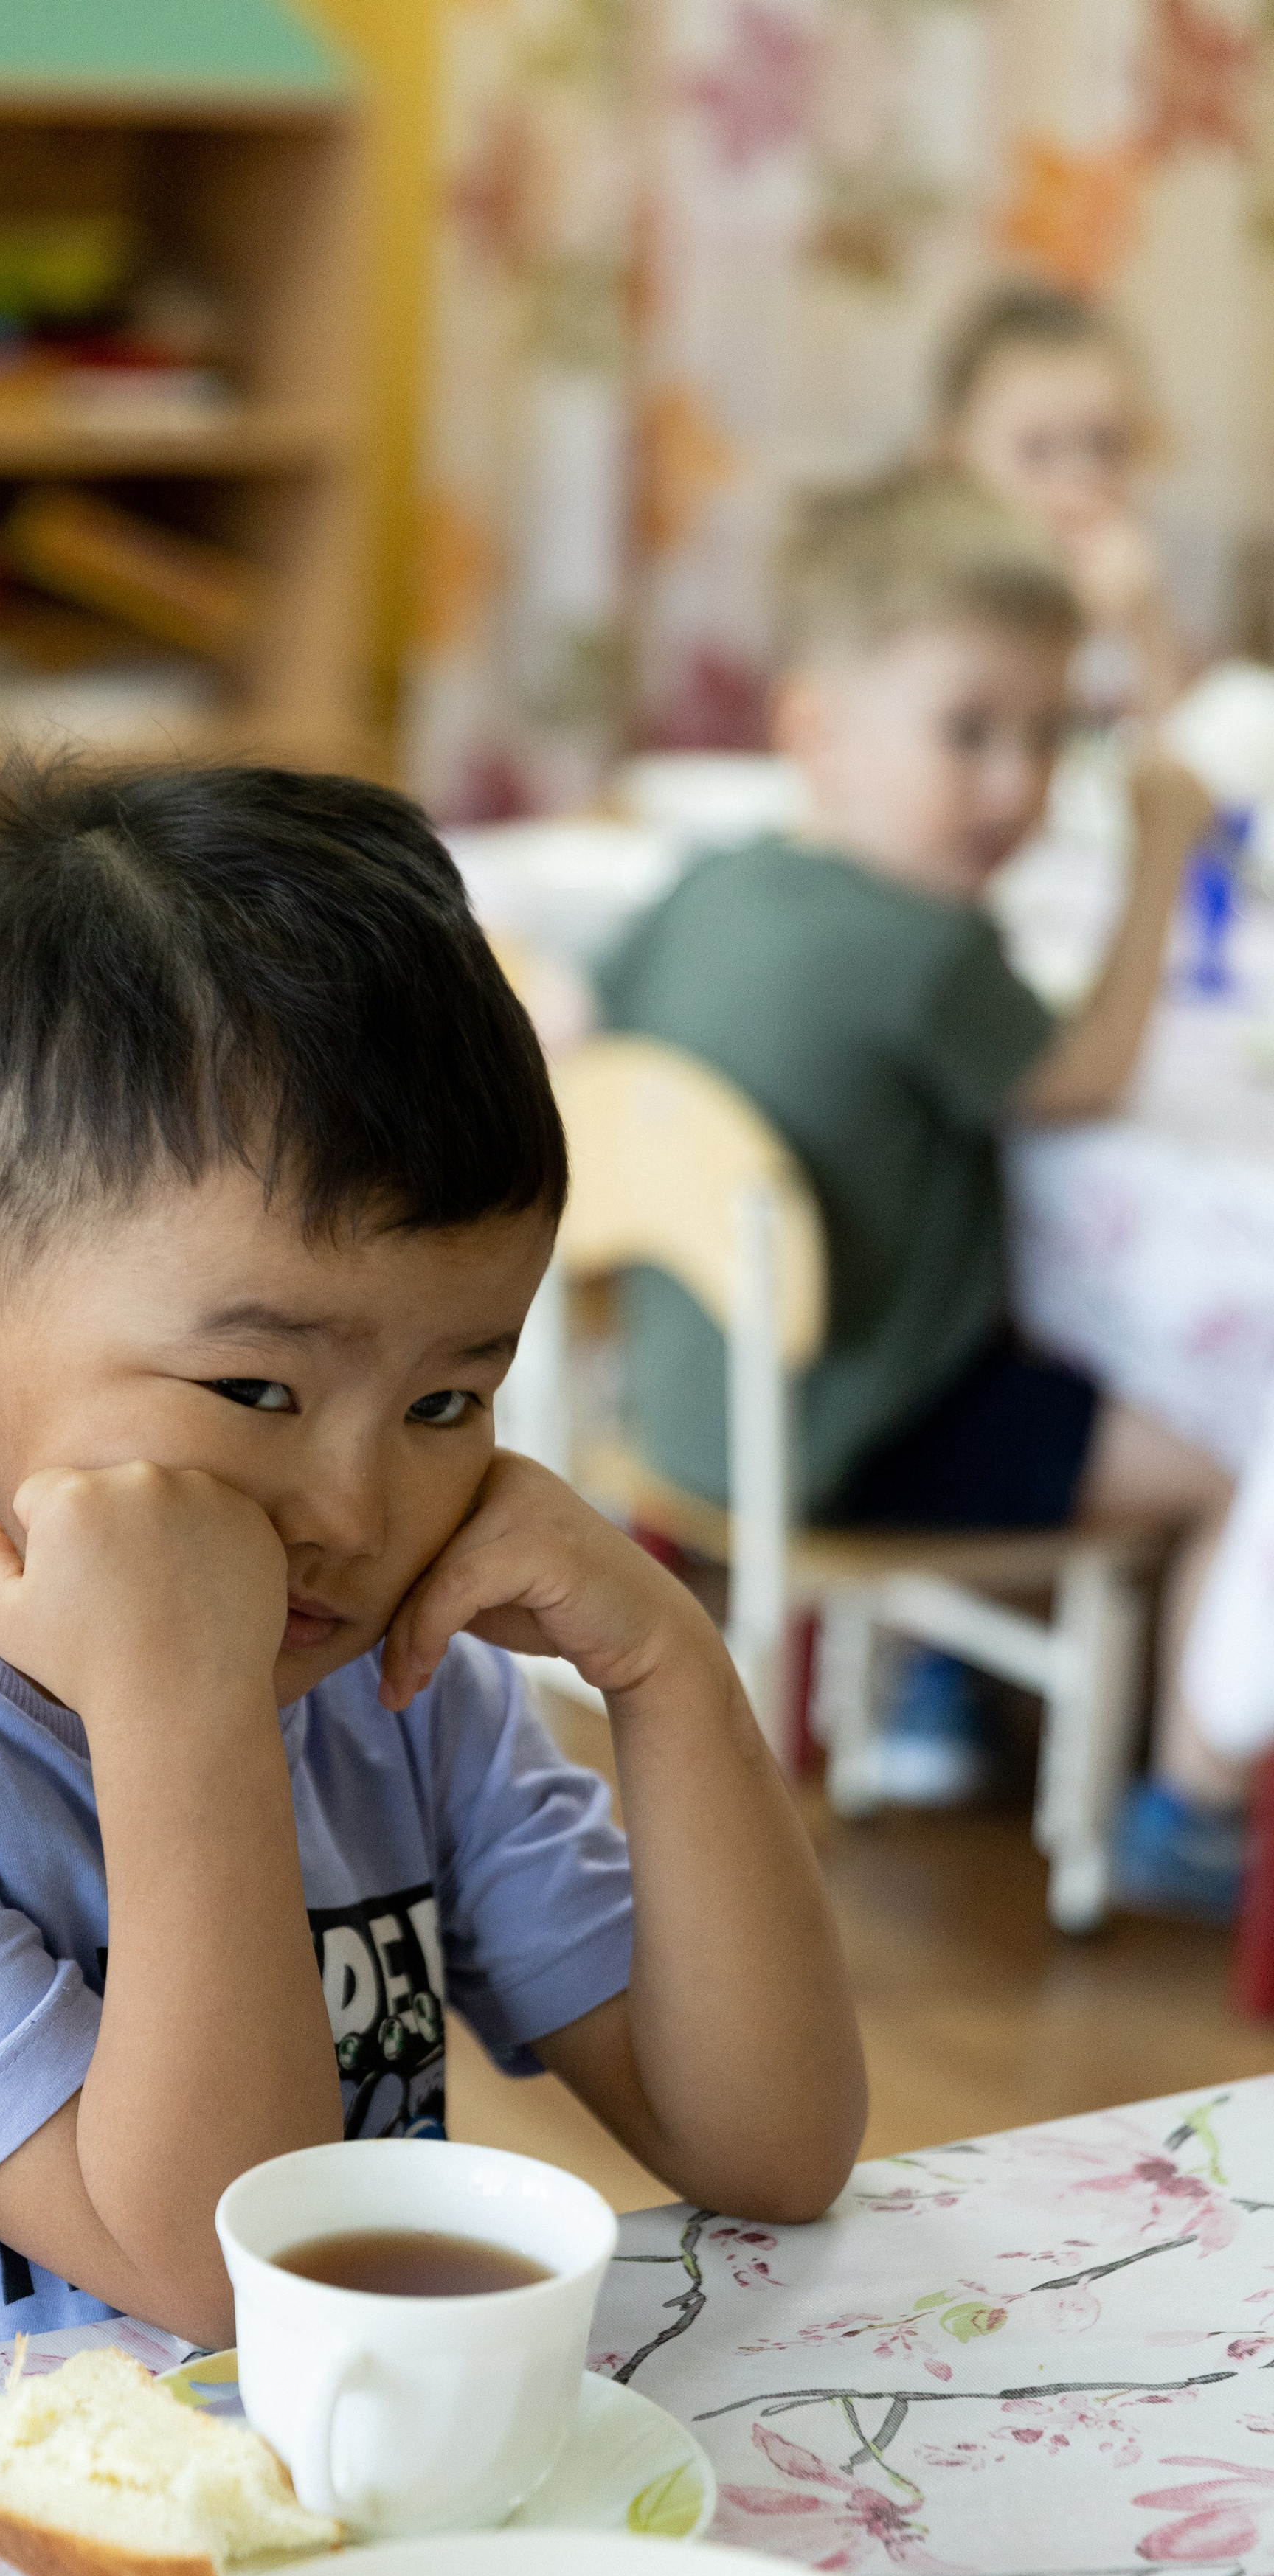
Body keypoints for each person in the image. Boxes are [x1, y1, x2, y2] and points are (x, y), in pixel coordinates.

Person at [0, 758, 866, 2408]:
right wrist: (184, 1705)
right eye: (254, 1389)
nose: (356, 1509)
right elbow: (225, 2266)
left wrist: (669, 1674)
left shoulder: (400, 1693)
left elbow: (769, 2148)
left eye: (446, 1402)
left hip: (298, 2540)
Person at [598, 466, 1245, 1916]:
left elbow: (590, 1018)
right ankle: (1190, 1814)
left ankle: (942, 1693)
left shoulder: (713, 880)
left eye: (1047, 734)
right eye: (969, 732)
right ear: (815, 732)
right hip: (857, 1444)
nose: (1017, 783)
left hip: (685, 1415)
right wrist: (1158, 865)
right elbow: (1087, 1077)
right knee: (1223, 1449)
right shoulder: (927, 948)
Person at [935, 278, 1185, 723]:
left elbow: (1175, 748)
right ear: (954, 462)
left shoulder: (1127, 604)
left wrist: (1145, 626)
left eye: (1107, 446)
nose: (1078, 481)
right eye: (1037, 451)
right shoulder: (932, 602)